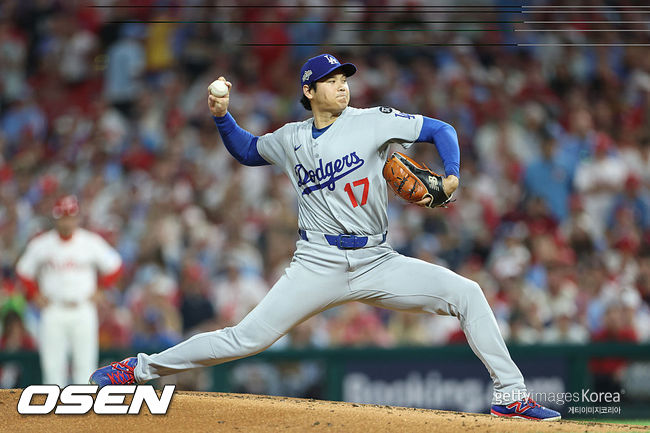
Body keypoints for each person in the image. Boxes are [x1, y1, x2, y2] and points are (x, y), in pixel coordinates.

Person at [90, 54, 560, 421]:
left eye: (344, 78)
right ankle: (137, 369)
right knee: (244, 338)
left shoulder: (372, 120)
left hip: (378, 259)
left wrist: (452, 173)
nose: (342, 85)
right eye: (332, 80)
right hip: (317, 261)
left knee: (468, 293)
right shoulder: (291, 137)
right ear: (309, 90)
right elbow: (248, 151)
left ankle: (511, 396)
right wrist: (221, 117)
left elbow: (441, 129)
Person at [16, 195, 123, 386]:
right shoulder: (43, 243)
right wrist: (34, 294)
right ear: (56, 218)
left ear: (76, 217)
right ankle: (55, 405)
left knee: (86, 366)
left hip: (82, 308)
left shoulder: (89, 241)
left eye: (70, 217)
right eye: (63, 217)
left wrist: (101, 289)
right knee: (52, 368)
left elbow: (115, 265)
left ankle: (85, 404)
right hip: (53, 309)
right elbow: (23, 270)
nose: (67, 221)